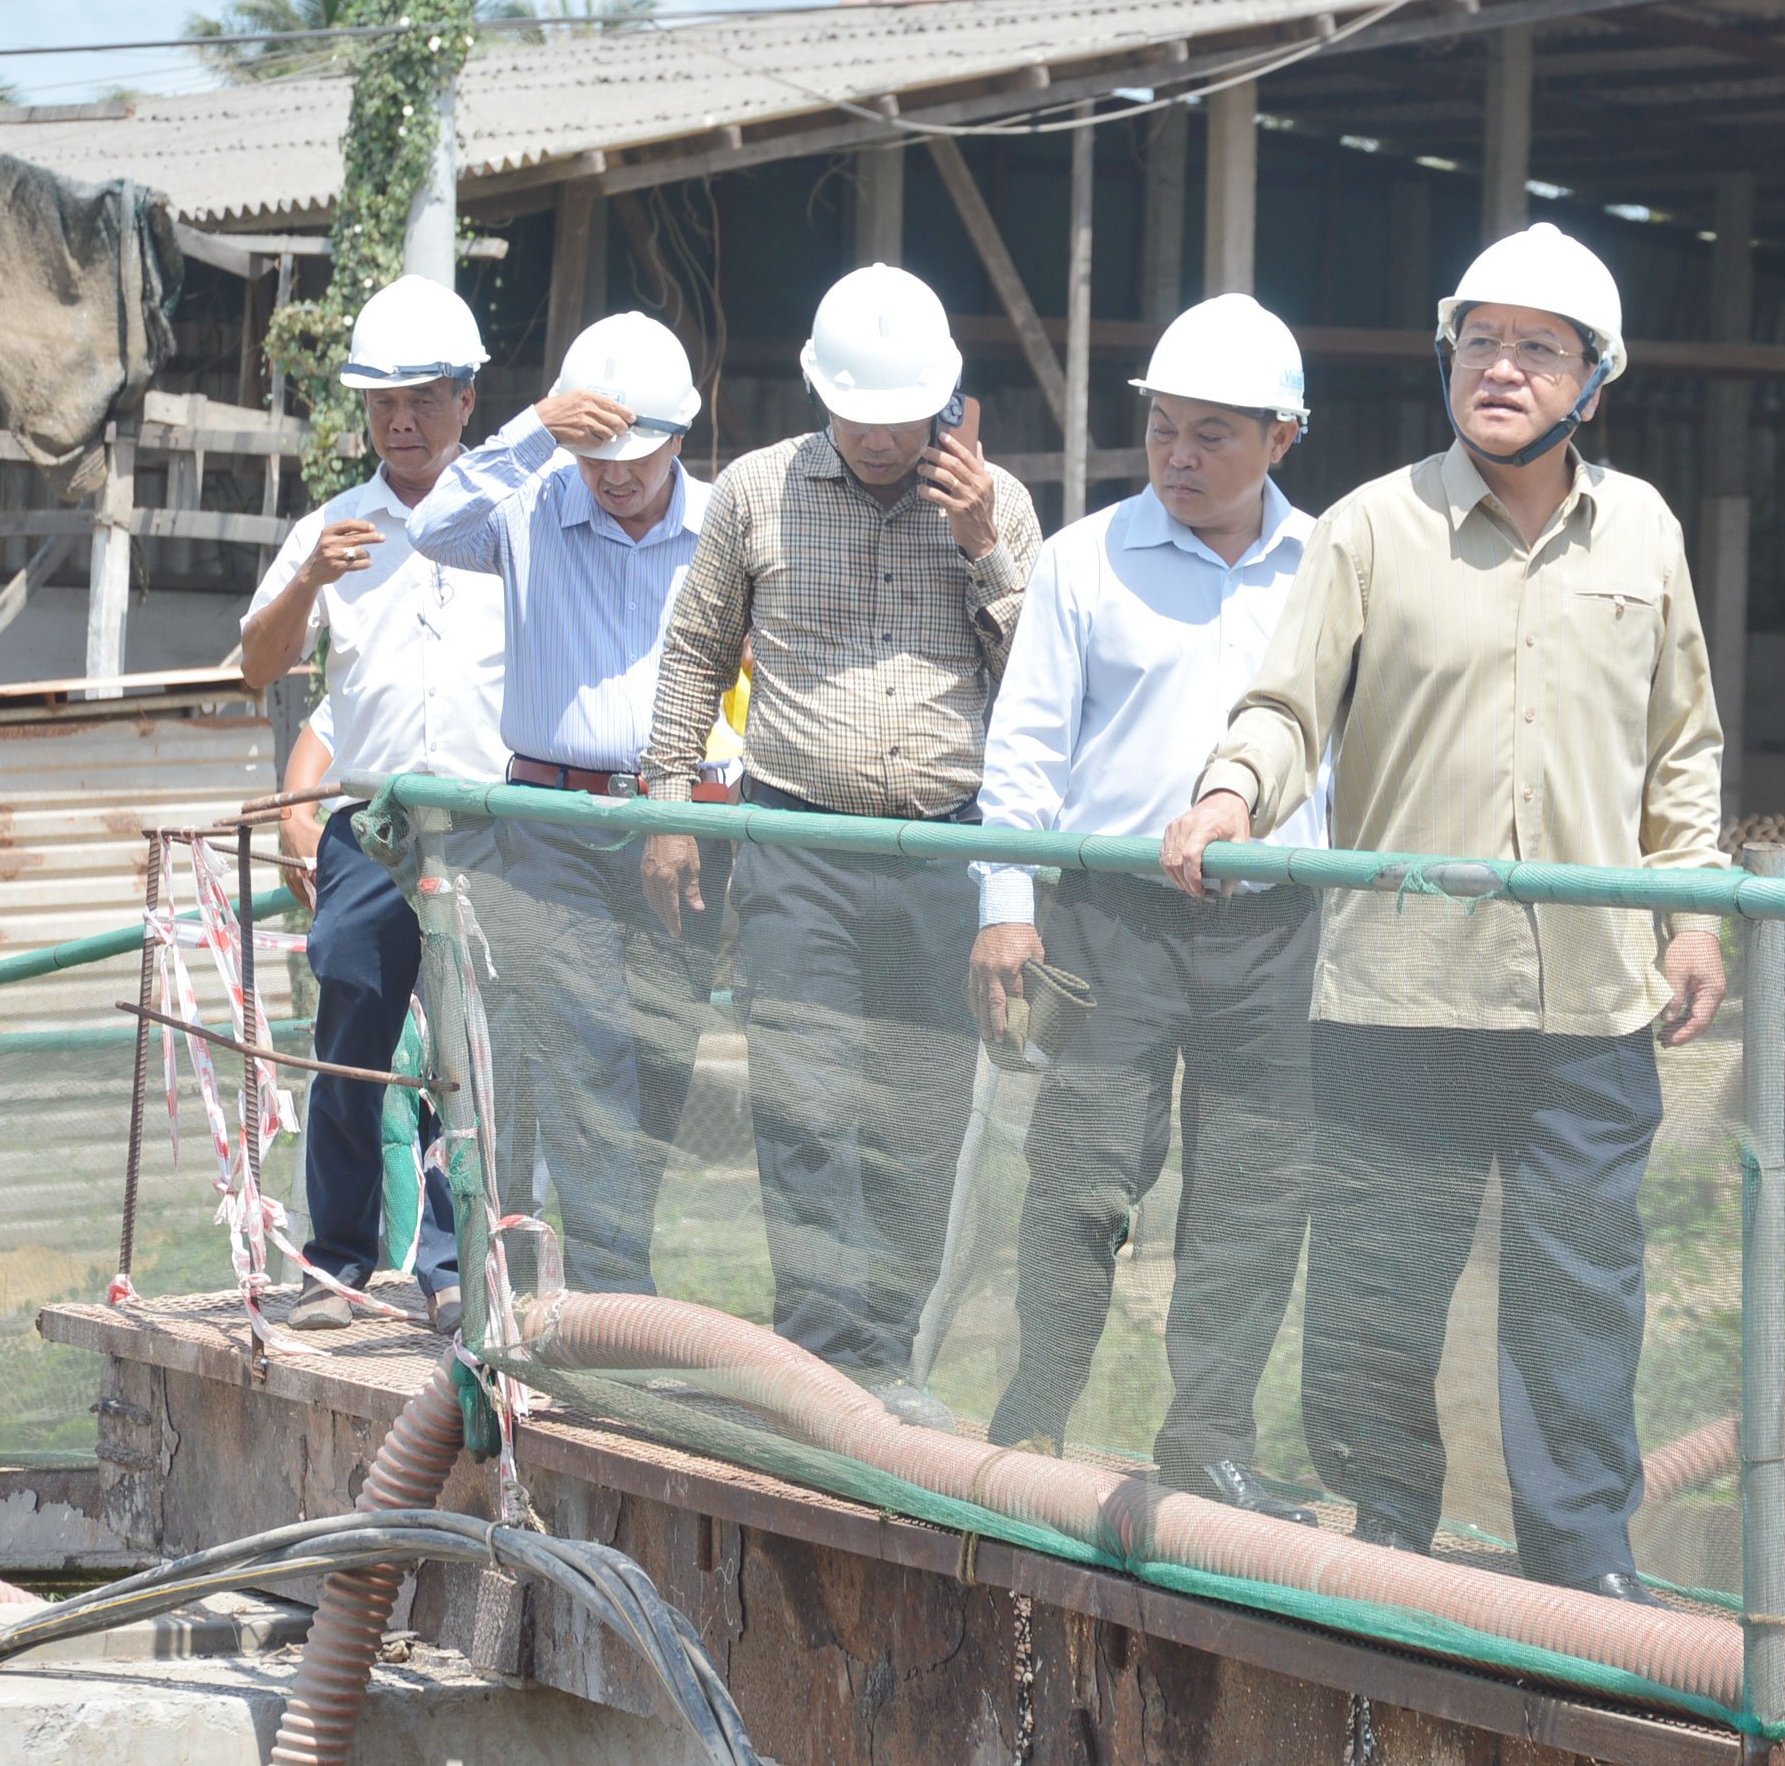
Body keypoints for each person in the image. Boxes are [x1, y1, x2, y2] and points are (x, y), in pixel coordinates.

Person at [1159, 224, 1728, 1600]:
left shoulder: (1643, 531)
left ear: (1594, 380)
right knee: (1378, 1282)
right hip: (1400, 991)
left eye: (1540, 348)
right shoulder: (1373, 527)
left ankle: (1583, 1564)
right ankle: (1388, 1533)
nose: (1503, 368)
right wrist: (1233, 797)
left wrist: (1695, 914)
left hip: (1592, 995)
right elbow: (1289, 707)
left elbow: (1684, 747)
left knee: (1580, 1294)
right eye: (1481, 341)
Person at [640, 264, 1039, 1424]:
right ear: (821, 397)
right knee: (805, 1100)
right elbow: (694, 650)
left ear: (946, 403)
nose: (877, 440)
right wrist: (671, 804)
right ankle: (821, 1357)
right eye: (858, 418)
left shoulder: (998, 506)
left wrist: (983, 551)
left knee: (918, 1108)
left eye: (900, 419)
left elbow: (1036, 691)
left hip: (938, 846)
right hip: (794, 838)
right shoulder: (755, 493)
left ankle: (891, 1354)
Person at [967, 295, 1323, 1520]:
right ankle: (1036, 1409)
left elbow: (1362, 755)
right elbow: (1021, 750)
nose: (1176, 455)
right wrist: (1005, 902)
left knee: (1255, 1188)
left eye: (1210, 434)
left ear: (1282, 437)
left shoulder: (1331, 570)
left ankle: (1209, 1437)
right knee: (1079, 1173)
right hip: (1108, 916)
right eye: (1162, 428)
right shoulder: (1082, 560)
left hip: (1278, 922)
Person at [402, 311, 717, 1295]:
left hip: (692, 823)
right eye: (595, 453)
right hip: (553, 819)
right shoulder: (529, 502)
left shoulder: (726, 523)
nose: (613, 474)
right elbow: (431, 525)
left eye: (637, 453)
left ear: (682, 437)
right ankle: (616, 1296)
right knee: (583, 1046)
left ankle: (611, 1264)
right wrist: (538, 429)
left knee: (664, 1058)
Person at [237, 275, 500, 1335]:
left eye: (425, 395)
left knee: (472, 1044)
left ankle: (451, 1262)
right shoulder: (329, 527)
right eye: (383, 399)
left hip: (490, 818)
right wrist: (306, 580)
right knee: (349, 1014)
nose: (401, 418)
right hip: (373, 822)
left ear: (467, 400)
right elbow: (256, 666)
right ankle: (336, 1259)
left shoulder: (509, 512)